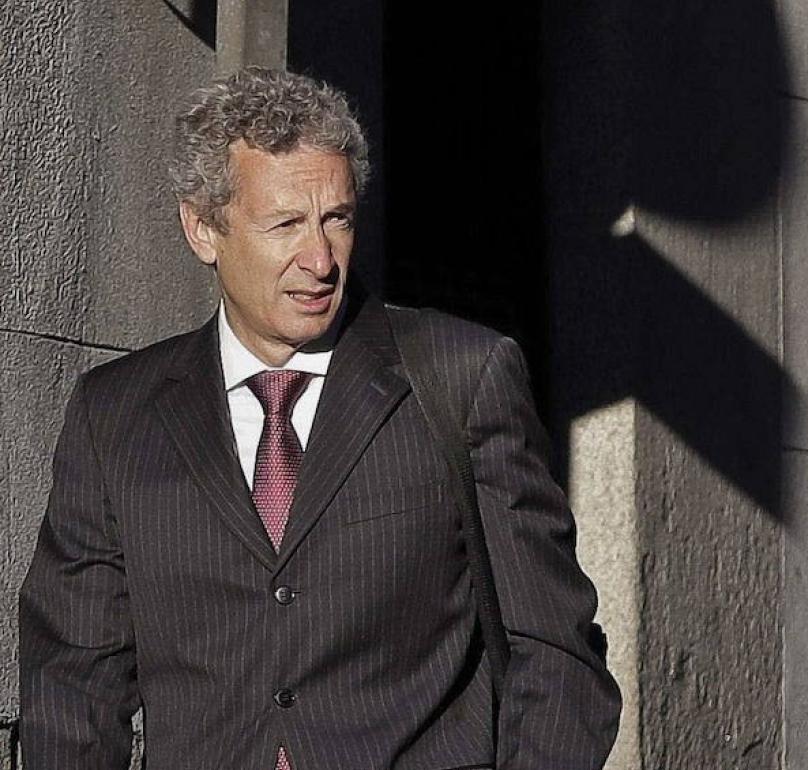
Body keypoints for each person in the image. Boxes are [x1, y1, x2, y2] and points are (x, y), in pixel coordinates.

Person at [18, 66, 621, 770]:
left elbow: (557, 654)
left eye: (337, 219)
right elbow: (73, 686)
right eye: (285, 224)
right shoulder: (116, 415)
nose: (320, 259)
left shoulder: (460, 377)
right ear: (203, 229)